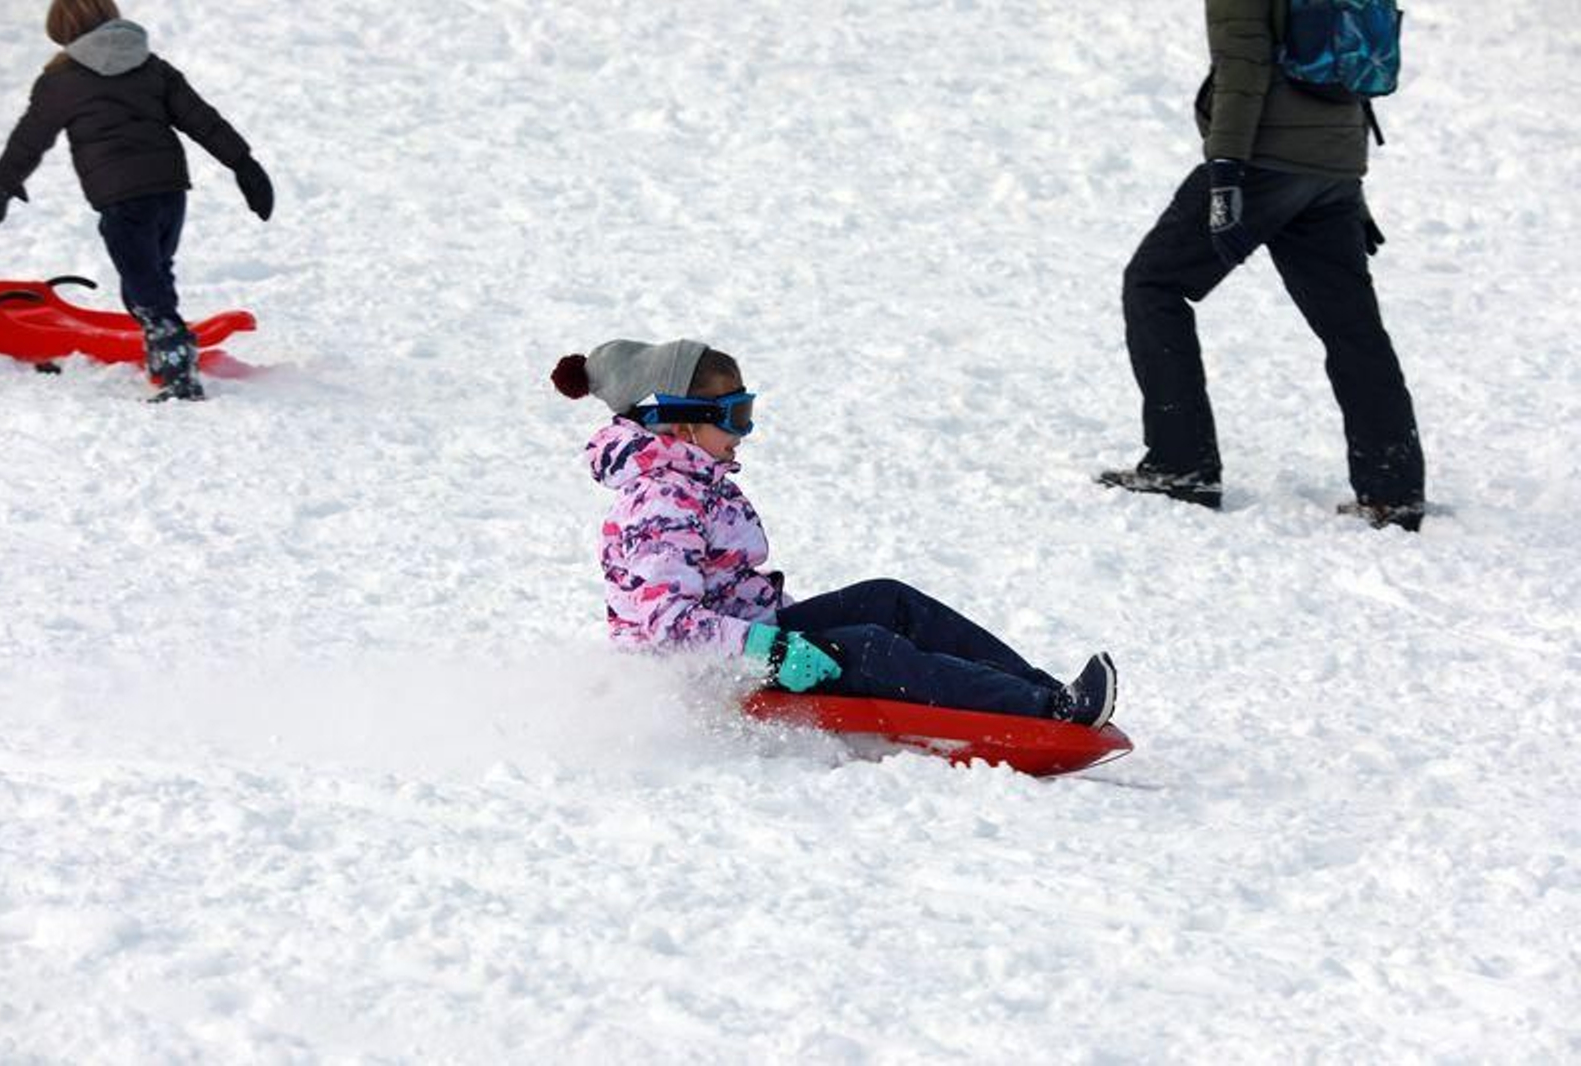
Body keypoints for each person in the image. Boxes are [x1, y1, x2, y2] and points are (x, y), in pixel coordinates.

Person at [553, 338, 1118, 727]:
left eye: (747, 411)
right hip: (707, 677)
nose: (744, 433)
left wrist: (783, 634)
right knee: (873, 647)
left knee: (886, 600)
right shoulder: (659, 501)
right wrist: (771, 649)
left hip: (755, 643)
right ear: (678, 423)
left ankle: (1046, 694)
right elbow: (668, 625)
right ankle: (1042, 715)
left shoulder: (694, 478)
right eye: (733, 417)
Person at [1098, 0, 1426, 531]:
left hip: (1265, 158)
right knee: (1352, 328)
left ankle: (1182, 464)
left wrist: (1225, 169)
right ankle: (1393, 491)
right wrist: (1348, 182)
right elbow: (1353, 62)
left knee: (1153, 282)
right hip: (1333, 166)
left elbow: (1244, 63)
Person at [0, 0, 274, 401]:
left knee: (143, 287)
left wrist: (3, 181)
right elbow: (202, 119)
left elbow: (31, 137)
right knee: (154, 272)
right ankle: (166, 344)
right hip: (169, 189)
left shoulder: (62, 80)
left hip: (120, 197)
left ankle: (177, 370)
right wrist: (244, 165)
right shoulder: (151, 66)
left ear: (63, 32)